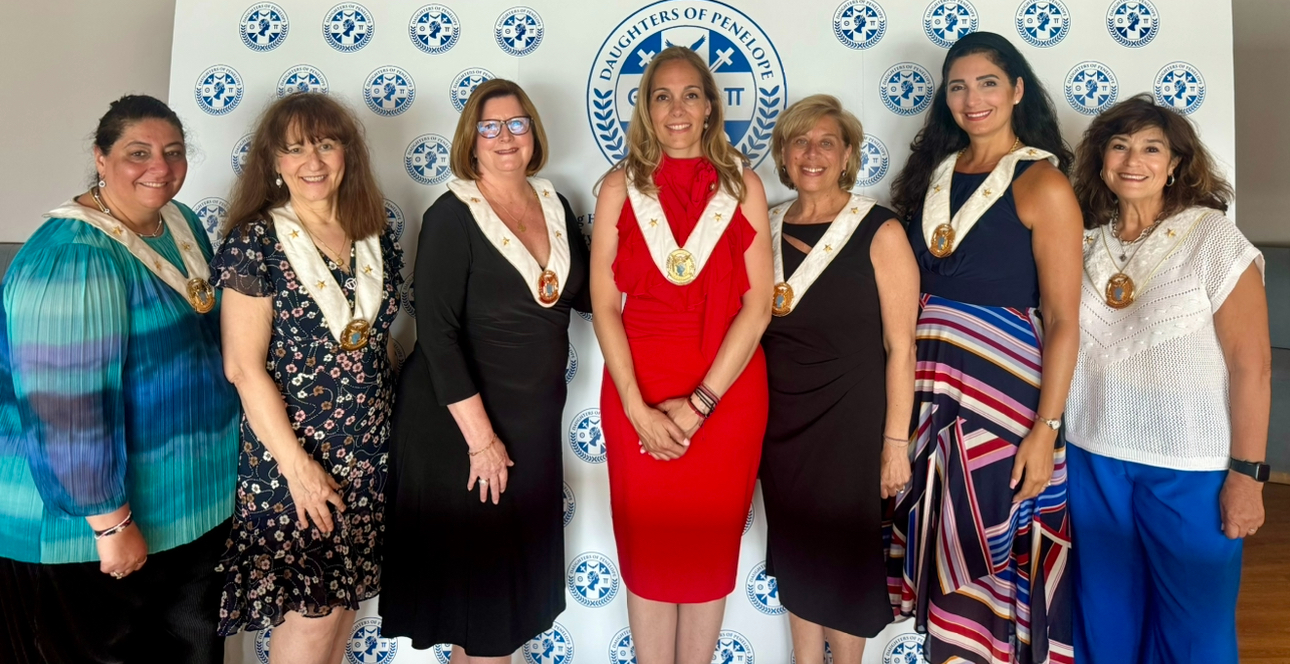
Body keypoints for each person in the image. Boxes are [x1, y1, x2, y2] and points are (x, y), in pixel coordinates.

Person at [0, 95, 238, 664]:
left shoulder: (176, 224)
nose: (159, 167)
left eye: (173, 152)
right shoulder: (73, 258)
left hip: (187, 509)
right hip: (93, 533)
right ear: (100, 159)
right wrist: (110, 523)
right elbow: (67, 411)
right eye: (138, 153)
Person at [884, 32, 1082, 664]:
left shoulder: (1043, 182)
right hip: (931, 395)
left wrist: (1046, 430)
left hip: (1006, 400)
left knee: (993, 556)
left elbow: (1063, 320)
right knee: (947, 548)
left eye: (988, 83)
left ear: (1018, 90)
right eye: (958, 86)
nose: (973, 99)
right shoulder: (933, 177)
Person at [378, 78, 589, 663]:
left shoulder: (555, 205)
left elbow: (592, 295)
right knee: (482, 614)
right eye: (490, 127)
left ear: (533, 134)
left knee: (509, 608)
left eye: (517, 124)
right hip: (462, 432)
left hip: (530, 429)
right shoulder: (452, 215)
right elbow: (437, 338)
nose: (505, 137)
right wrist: (482, 442)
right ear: (471, 141)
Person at [1066, 94, 1269, 664]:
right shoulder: (1082, 241)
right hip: (1091, 455)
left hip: (1191, 467)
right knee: (1102, 619)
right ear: (1101, 160)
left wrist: (1247, 477)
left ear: (1176, 162)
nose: (1134, 160)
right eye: (1120, 145)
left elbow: (1253, 366)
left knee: (1194, 630)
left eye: (1152, 147)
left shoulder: (1212, 238)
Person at [591, 46, 773, 664]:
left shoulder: (742, 185)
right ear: (646, 108)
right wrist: (639, 410)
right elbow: (604, 306)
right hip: (635, 389)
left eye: (690, 94)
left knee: (704, 553)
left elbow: (757, 307)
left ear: (710, 106)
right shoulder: (619, 188)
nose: (677, 108)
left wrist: (699, 404)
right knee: (648, 554)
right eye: (662, 96)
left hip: (726, 393)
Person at [211, 92, 402, 664]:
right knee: (312, 622)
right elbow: (242, 367)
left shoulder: (374, 233)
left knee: (341, 617)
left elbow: (376, 340)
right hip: (294, 460)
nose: (311, 161)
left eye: (325, 143)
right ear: (273, 161)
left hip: (367, 457)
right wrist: (298, 470)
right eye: (294, 149)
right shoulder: (256, 241)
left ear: (348, 153)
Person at [759, 94, 918, 664]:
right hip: (780, 427)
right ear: (783, 152)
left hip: (852, 423)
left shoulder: (879, 229)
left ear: (848, 153)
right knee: (797, 551)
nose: (812, 153)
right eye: (799, 141)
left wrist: (895, 444)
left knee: (845, 561)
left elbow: (902, 348)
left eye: (827, 141)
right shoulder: (764, 225)